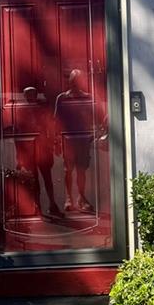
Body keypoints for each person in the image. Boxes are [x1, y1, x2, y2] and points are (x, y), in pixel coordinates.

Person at [53, 68, 100, 215]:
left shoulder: (88, 98)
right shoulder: (62, 98)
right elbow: (56, 121)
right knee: (68, 170)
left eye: (78, 81)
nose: (75, 83)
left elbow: (95, 117)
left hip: (83, 139)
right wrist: (57, 141)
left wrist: (93, 134)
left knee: (81, 170)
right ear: (69, 81)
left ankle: (81, 197)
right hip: (68, 139)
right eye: (73, 81)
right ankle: (69, 199)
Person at [20, 84, 61, 218]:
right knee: (34, 179)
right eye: (28, 95)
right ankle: (37, 206)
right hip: (30, 149)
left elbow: (49, 126)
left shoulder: (41, 109)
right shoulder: (22, 111)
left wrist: (52, 144)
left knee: (47, 177)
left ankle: (52, 204)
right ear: (25, 96)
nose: (31, 97)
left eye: (33, 94)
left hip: (42, 148)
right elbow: (18, 134)